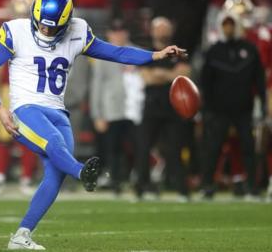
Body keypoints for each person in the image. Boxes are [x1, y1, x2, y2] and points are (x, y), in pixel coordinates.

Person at [0, 0, 186, 249]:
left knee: (54, 175)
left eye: (53, 27)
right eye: (42, 25)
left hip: (58, 111)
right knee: (54, 144)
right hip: (25, 109)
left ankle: (21, 235)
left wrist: (155, 55)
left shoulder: (77, 31)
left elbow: (117, 53)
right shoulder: (16, 31)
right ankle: (82, 172)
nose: (46, 31)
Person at [200, 12, 266, 199]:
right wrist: (207, 109)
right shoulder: (214, 51)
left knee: (248, 148)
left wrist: (262, 103)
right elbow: (206, 83)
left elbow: (259, 79)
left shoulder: (250, 49)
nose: (228, 29)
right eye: (225, 25)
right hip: (219, 109)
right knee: (213, 148)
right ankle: (207, 185)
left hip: (244, 108)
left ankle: (252, 187)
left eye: (231, 25)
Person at [135, 17, 192, 201]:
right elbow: (146, 77)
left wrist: (161, 74)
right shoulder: (146, 52)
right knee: (143, 147)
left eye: (164, 29)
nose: (162, 33)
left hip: (173, 106)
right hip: (151, 106)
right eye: (159, 30)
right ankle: (141, 188)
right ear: (152, 31)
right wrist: (169, 75)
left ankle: (182, 189)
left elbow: (183, 74)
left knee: (175, 148)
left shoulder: (179, 51)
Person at [89, 19, 144, 195]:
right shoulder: (103, 54)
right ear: (109, 34)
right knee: (113, 148)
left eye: (121, 31)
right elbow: (97, 85)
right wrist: (97, 114)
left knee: (139, 146)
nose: (118, 35)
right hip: (111, 109)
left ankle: (139, 181)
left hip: (135, 108)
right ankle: (116, 182)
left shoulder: (137, 51)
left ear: (126, 33)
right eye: (115, 31)